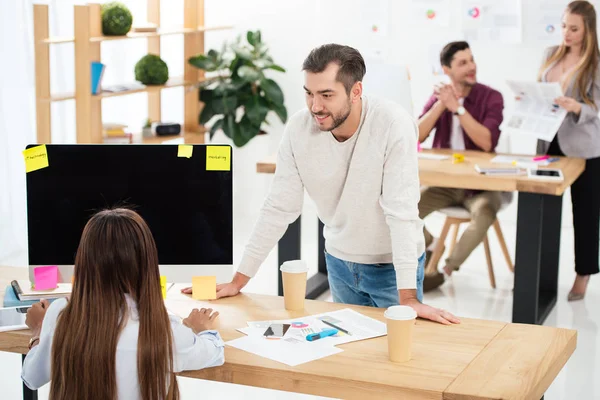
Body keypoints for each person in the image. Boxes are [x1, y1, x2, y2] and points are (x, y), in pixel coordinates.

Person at [183, 44, 460, 325]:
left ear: (356, 91)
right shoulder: (299, 129)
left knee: (394, 359)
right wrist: (239, 279)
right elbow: (279, 207)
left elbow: (401, 212)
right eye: (309, 93)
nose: (315, 106)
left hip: (391, 269)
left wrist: (409, 298)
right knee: (349, 357)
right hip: (339, 263)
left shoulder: (392, 123)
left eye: (326, 95)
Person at [21, 208, 224, 399]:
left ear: (83, 261)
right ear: (147, 263)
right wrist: (198, 328)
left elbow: (31, 377)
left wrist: (38, 332)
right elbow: (214, 352)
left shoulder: (60, 315)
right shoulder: (164, 331)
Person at [417, 41, 505, 292]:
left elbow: (486, 142)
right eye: (463, 63)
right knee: (404, 207)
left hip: (481, 186)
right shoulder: (440, 96)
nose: (471, 66)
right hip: (446, 184)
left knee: (485, 212)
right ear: (447, 69)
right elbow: (417, 135)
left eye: (472, 60)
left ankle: (444, 270)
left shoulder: (491, 97)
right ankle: (432, 245)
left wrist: (458, 108)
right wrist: (440, 104)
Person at [536, 0, 600, 301]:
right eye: (564, 26)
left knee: (585, 215)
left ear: (588, 30)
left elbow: (598, 108)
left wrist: (577, 107)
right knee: (542, 210)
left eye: (574, 28)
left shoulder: (595, 63)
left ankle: (582, 275)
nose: (567, 33)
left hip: (583, 147)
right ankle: (539, 274)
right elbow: (540, 89)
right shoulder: (550, 54)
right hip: (548, 140)